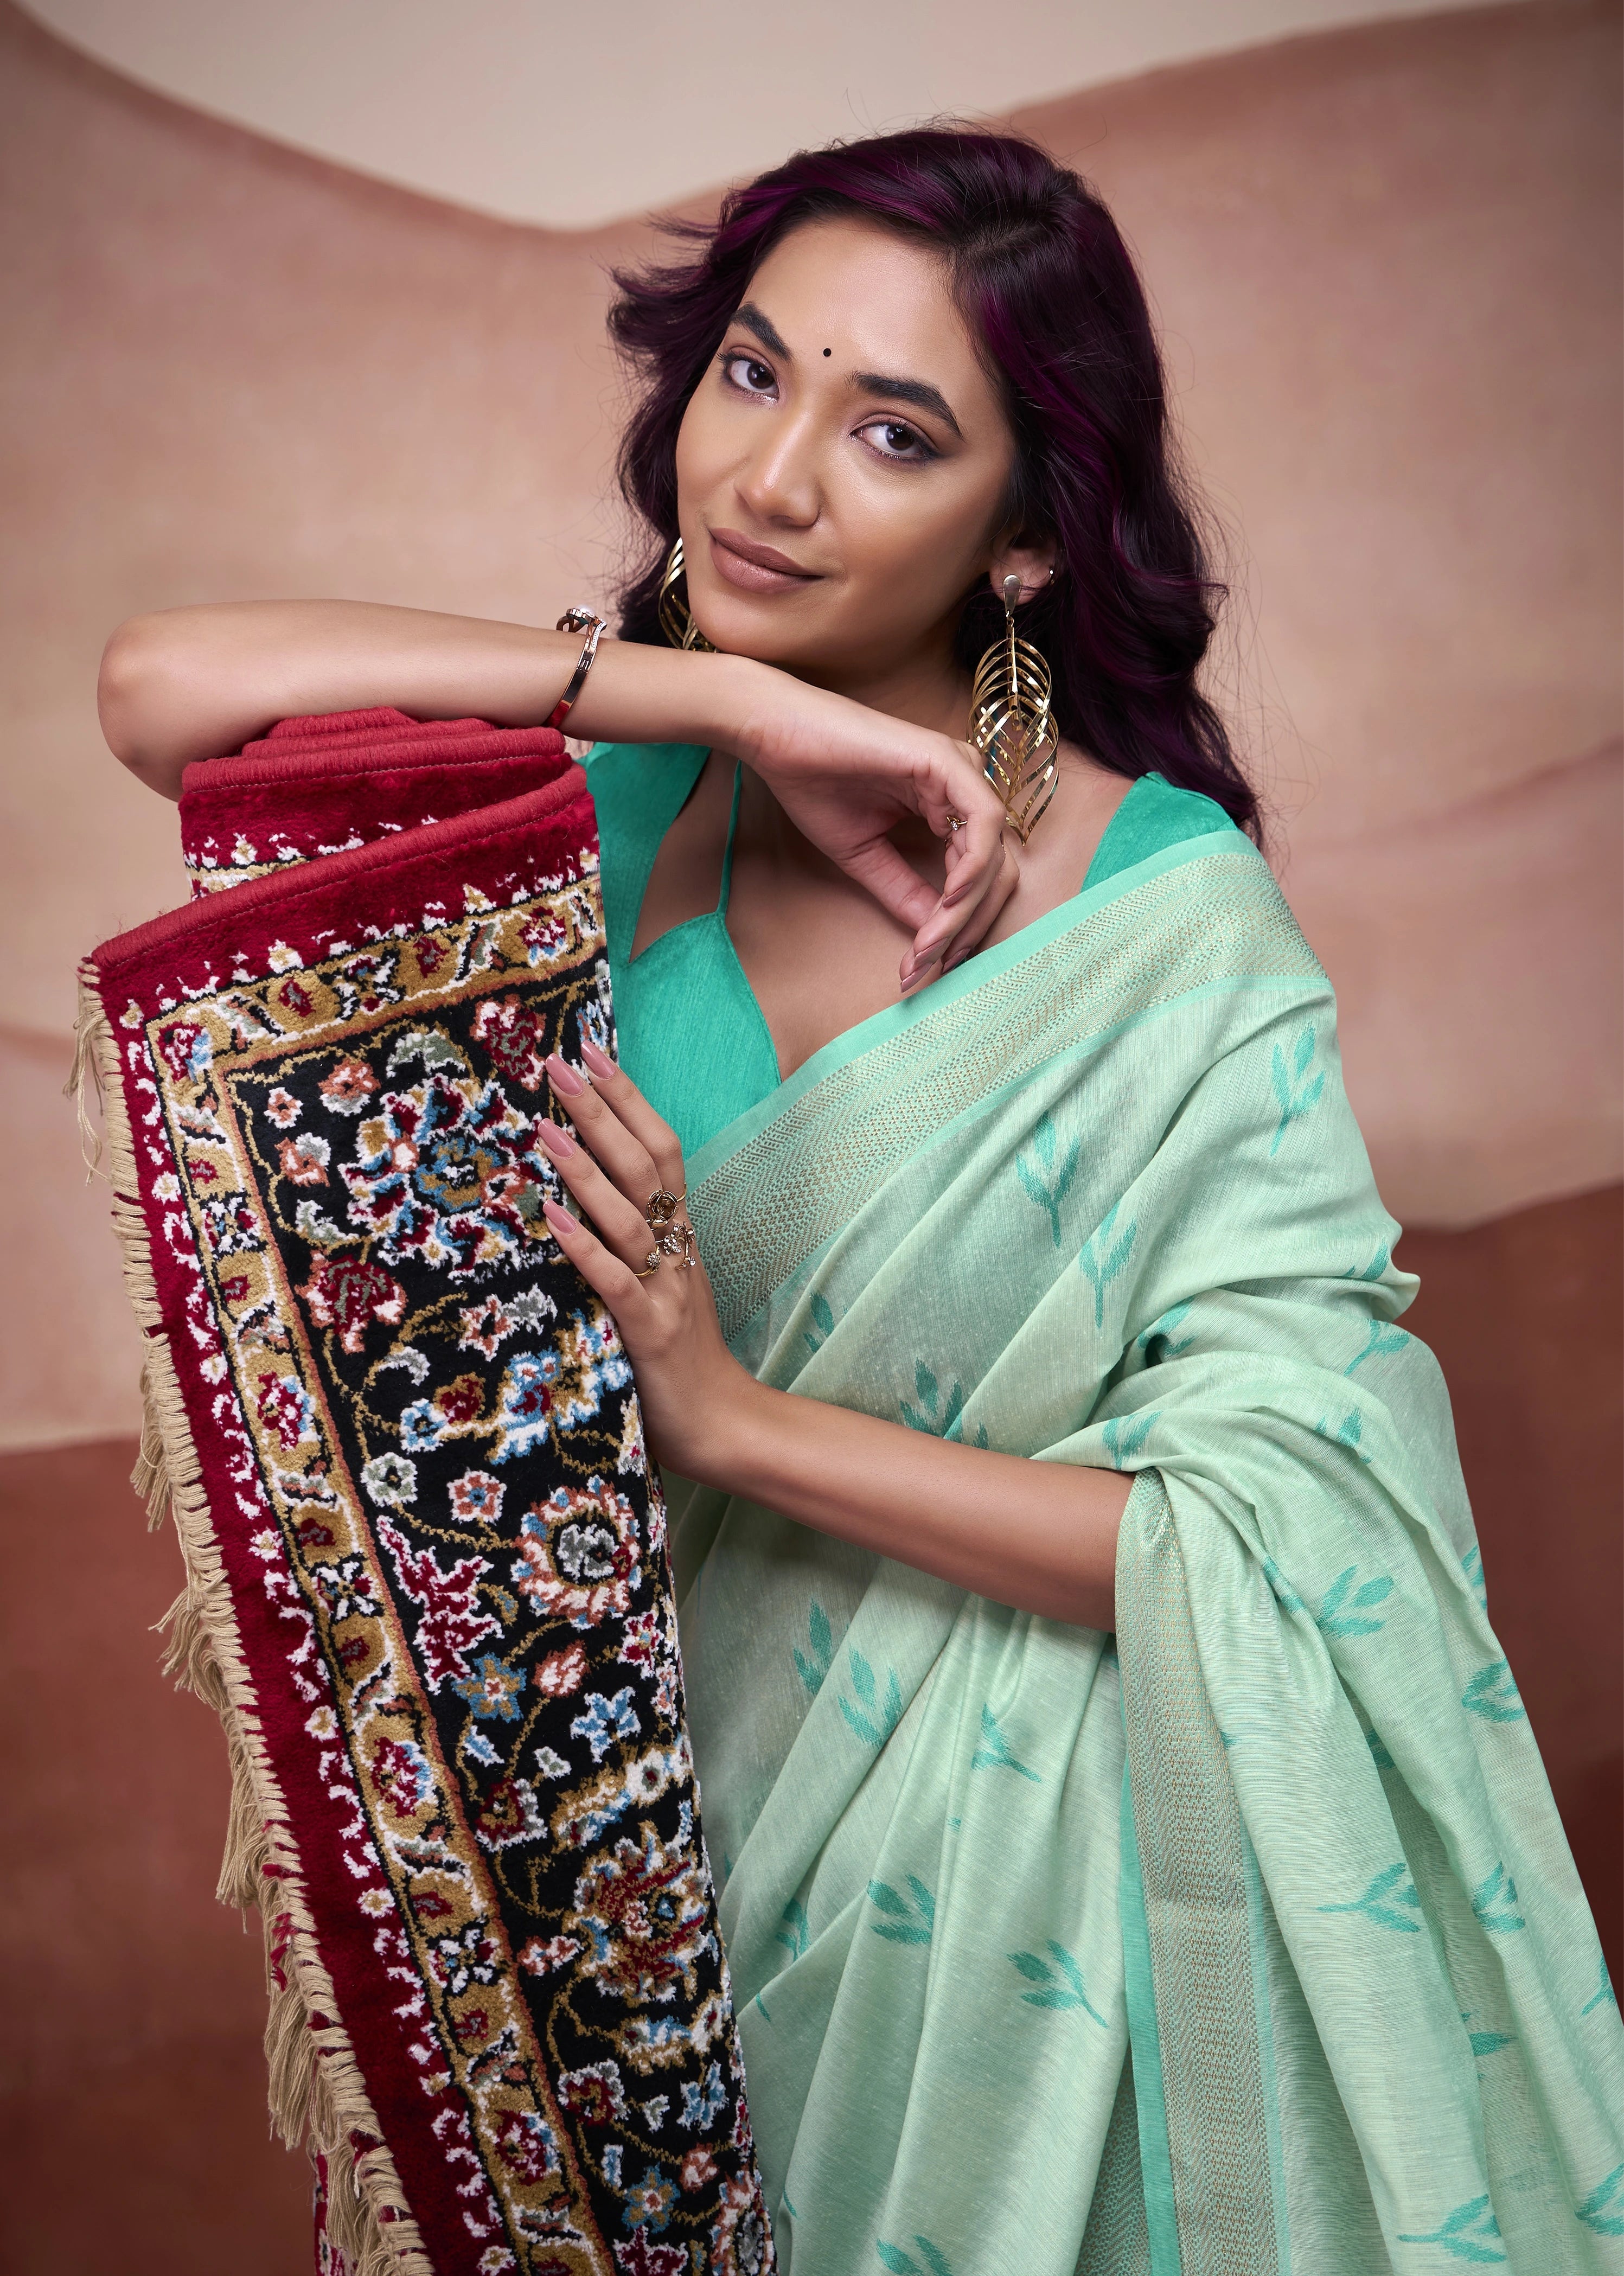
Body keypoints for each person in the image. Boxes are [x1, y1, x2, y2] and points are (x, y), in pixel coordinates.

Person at [100, 127, 1619, 2276]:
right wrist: (710, 694)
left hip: (1032, 1927)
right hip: (627, 1882)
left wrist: (727, 1414)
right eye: (750, 374)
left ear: (1019, 543)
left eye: (889, 429)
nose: (772, 478)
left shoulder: (1159, 927)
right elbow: (158, 689)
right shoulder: (589, 818)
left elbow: (1286, 1529)